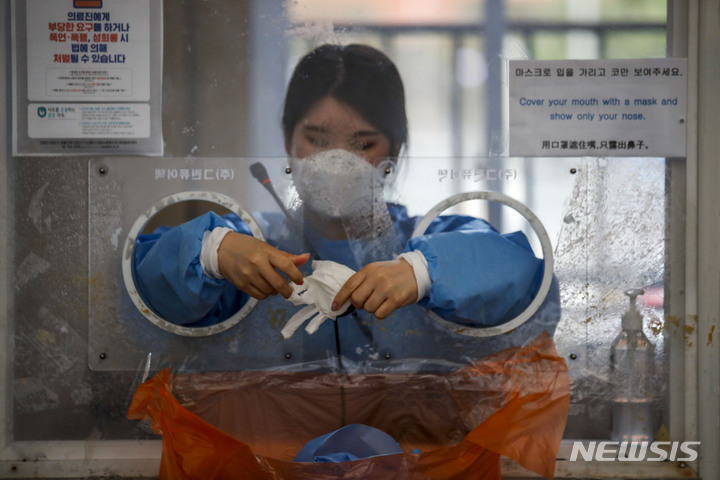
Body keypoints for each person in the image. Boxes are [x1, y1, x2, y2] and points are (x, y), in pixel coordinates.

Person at [133, 44, 547, 363]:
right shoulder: (250, 243)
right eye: (317, 139)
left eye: (362, 144)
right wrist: (211, 252)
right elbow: (148, 278)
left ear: (395, 152)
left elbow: (518, 272)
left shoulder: (428, 240)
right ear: (287, 143)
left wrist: (422, 272)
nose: (336, 160)